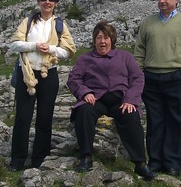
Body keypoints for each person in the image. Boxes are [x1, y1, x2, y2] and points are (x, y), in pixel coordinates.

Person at [67, 20, 156, 180]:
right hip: (96, 99)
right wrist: (84, 92)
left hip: (120, 100)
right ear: (94, 40)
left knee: (131, 115)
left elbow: (137, 78)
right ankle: (86, 157)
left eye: (106, 37)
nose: (102, 41)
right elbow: (74, 79)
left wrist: (130, 100)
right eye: (99, 37)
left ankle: (140, 164)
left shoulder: (125, 57)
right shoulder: (85, 59)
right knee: (83, 111)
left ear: (112, 40)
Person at [134, 0, 181, 176]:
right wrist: (140, 72)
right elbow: (139, 50)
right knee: (155, 121)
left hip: (176, 77)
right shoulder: (148, 23)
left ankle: (172, 164)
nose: (162, 1)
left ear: (176, 0)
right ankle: (155, 162)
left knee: (176, 121)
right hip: (151, 78)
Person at [9, 0, 76, 171]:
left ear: (56, 3)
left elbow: (69, 51)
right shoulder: (28, 22)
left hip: (49, 74)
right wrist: (34, 46)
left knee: (44, 119)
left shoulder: (60, 24)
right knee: (23, 117)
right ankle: (17, 160)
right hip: (27, 74)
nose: (47, 2)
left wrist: (51, 49)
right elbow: (14, 44)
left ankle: (39, 160)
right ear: (38, 1)